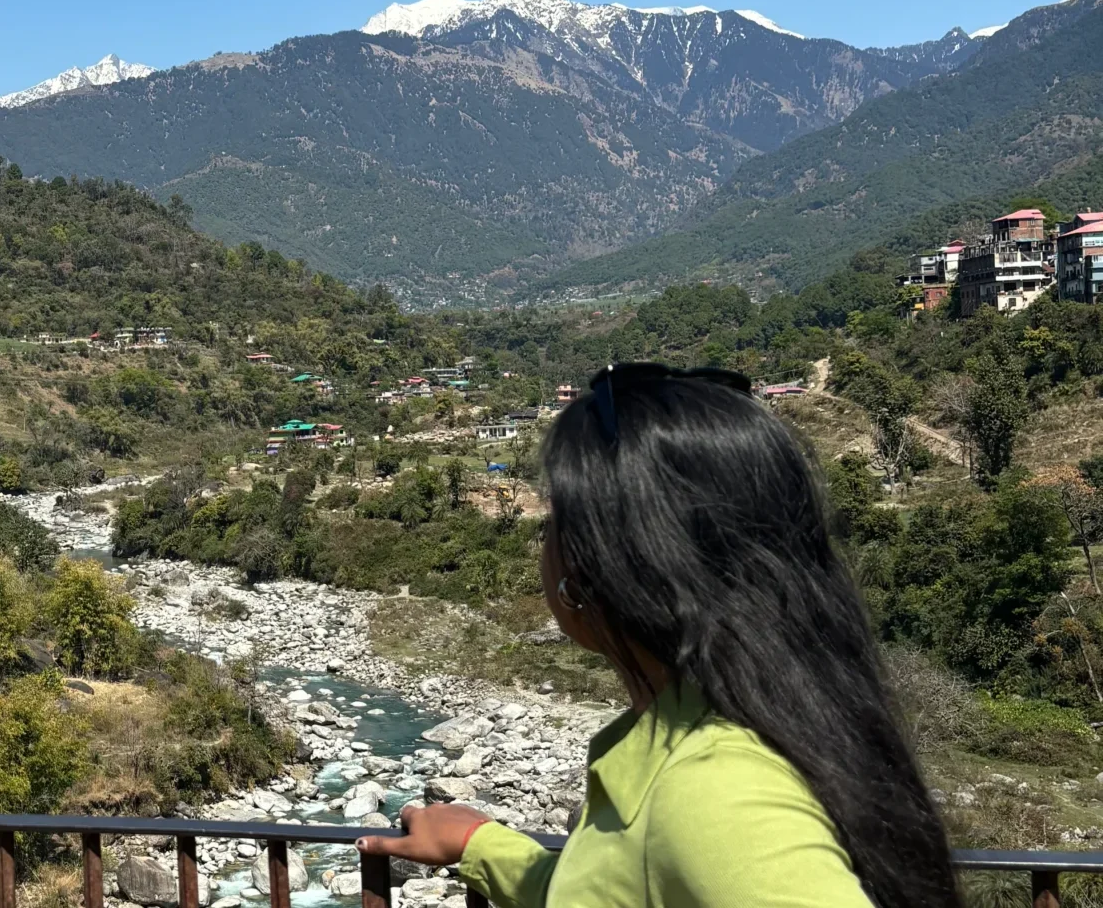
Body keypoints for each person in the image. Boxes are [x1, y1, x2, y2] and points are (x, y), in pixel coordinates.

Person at [357, 363, 960, 908]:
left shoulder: (712, 795)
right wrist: (486, 848)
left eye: (557, 524)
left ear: (593, 571)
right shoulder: (783, 721)